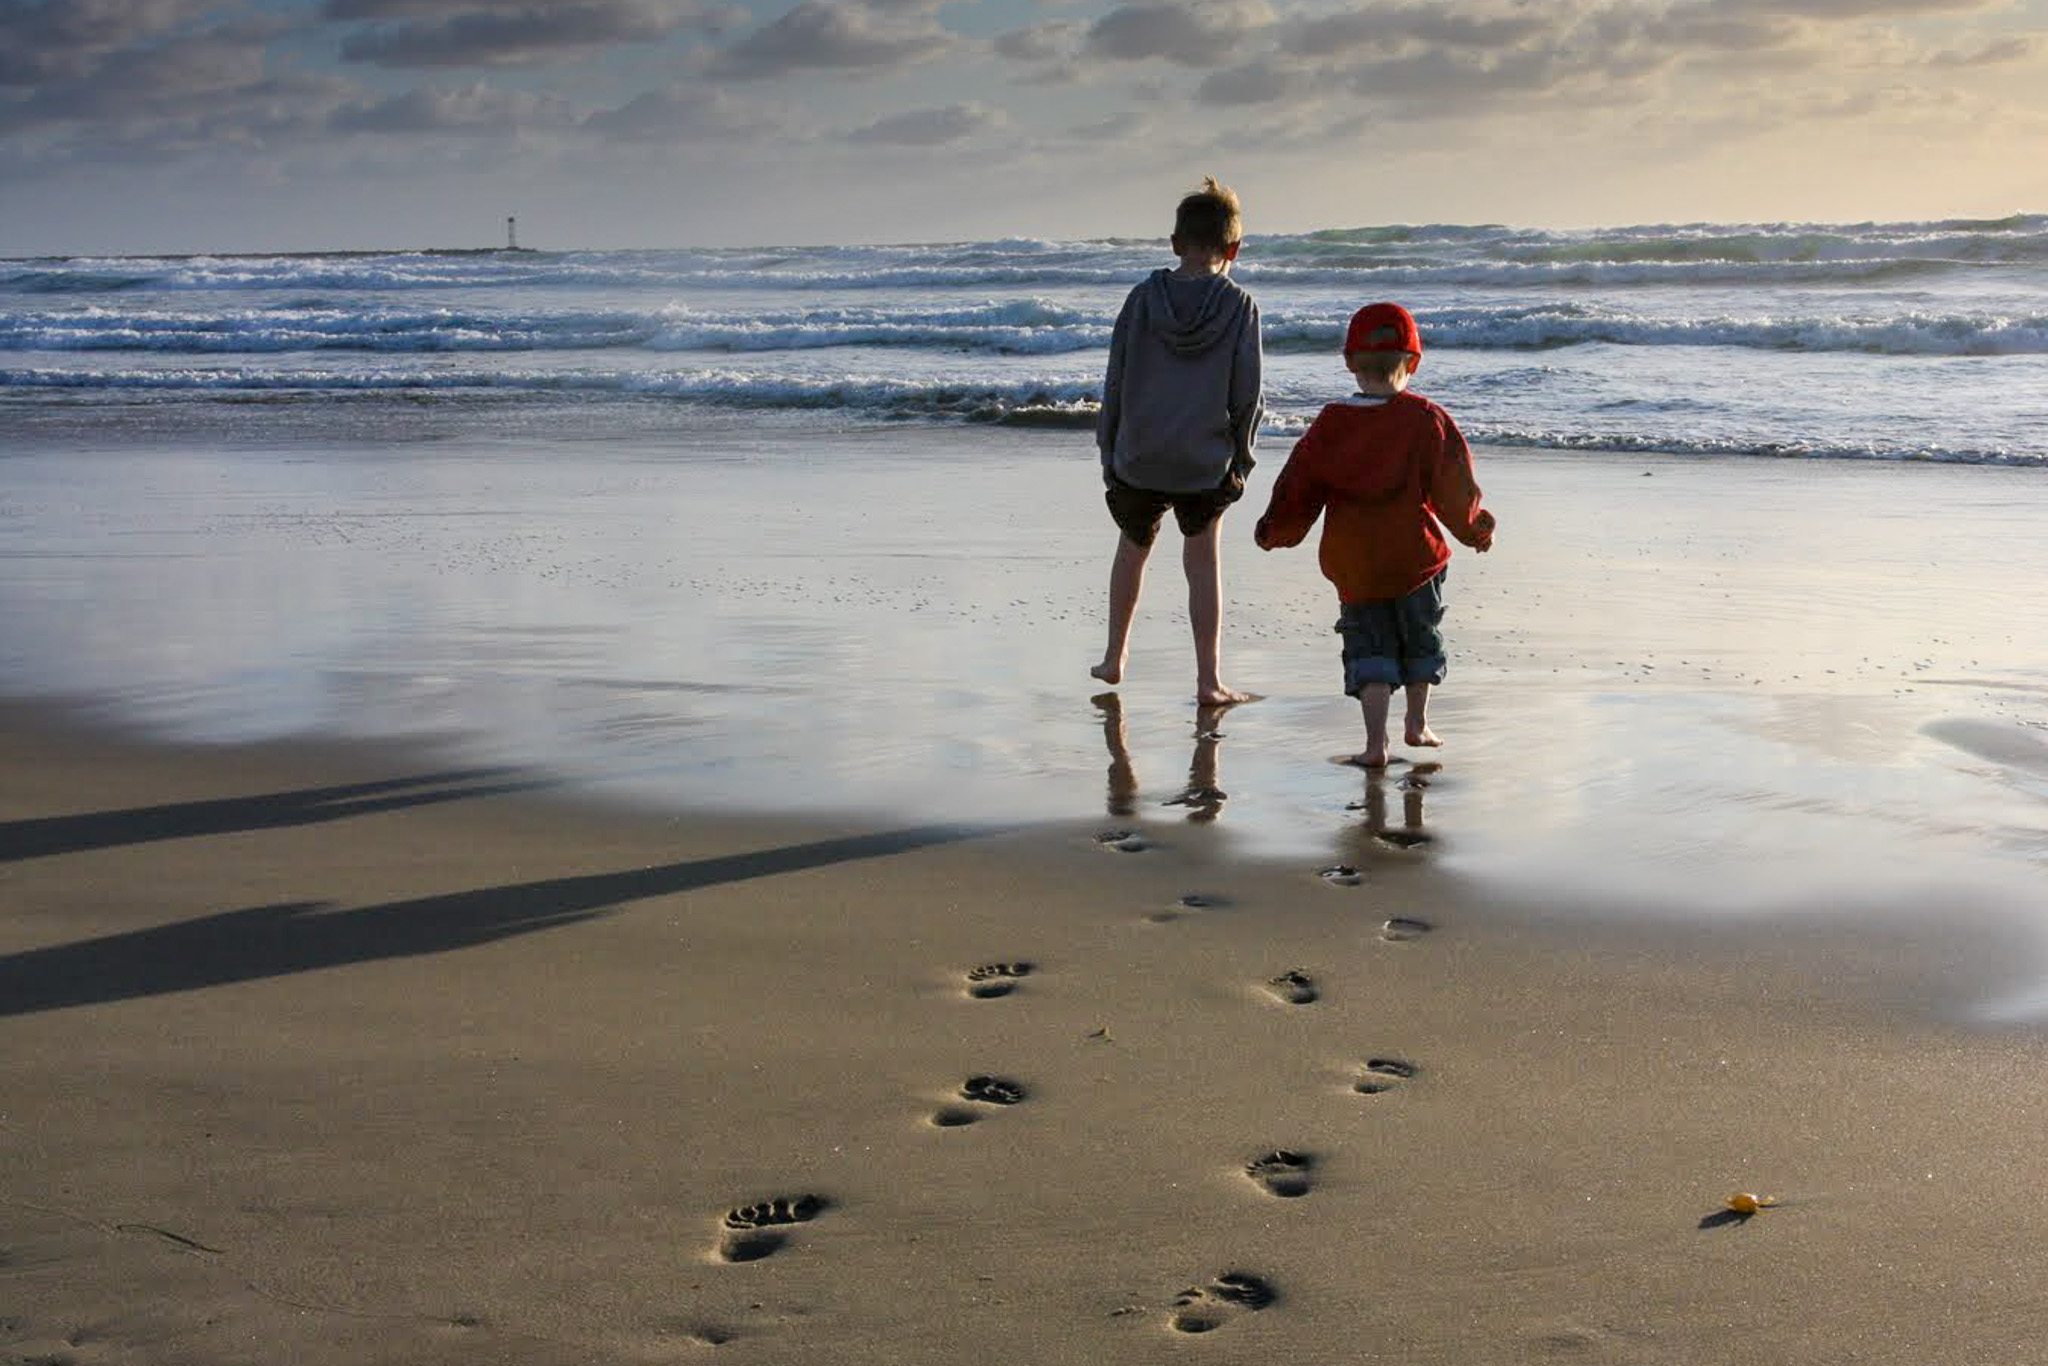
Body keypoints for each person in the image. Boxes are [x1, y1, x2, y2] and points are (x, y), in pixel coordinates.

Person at [1253, 302, 1496, 768]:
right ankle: (1418, 724)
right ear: (1414, 362)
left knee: (1370, 649)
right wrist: (1474, 530)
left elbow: (1299, 487)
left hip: (1356, 565)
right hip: (1415, 560)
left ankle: (1374, 743)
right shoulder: (1426, 419)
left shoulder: (1331, 423)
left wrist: (1275, 532)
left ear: (1349, 362)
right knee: (1421, 638)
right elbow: (1454, 486)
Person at [1091, 176, 1264, 706]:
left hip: (1139, 453)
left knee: (1132, 549)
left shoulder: (1143, 299)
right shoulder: (1239, 305)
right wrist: (1242, 455)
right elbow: (1247, 393)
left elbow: (1115, 379)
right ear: (1233, 248)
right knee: (1203, 561)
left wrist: (1108, 447)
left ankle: (1115, 656)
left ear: (1174, 243)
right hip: (1202, 457)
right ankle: (1208, 680)